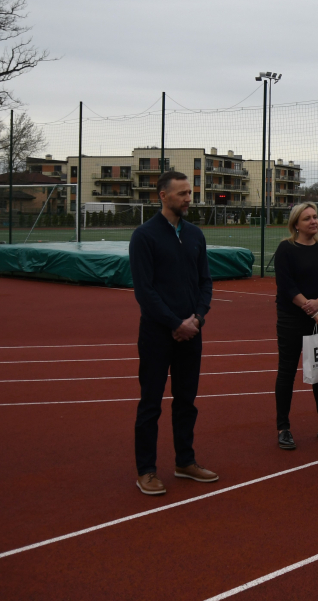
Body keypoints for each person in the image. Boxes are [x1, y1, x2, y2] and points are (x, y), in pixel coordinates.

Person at [129, 171, 217, 495]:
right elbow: (145, 291)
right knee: (151, 404)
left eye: (189, 193)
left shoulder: (195, 235)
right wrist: (174, 323)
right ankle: (146, 471)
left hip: (191, 333)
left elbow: (205, 282)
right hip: (157, 335)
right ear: (162, 196)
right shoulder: (144, 236)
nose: (188, 199)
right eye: (181, 194)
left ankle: (185, 461)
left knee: (186, 402)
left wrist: (197, 318)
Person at [273, 202, 318, 450]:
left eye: (315, 217)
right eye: (307, 219)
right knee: (287, 373)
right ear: (296, 224)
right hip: (293, 320)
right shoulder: (286, 249)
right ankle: (283, 428)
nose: (313, 222)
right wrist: (310, 309)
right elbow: (287, 286)